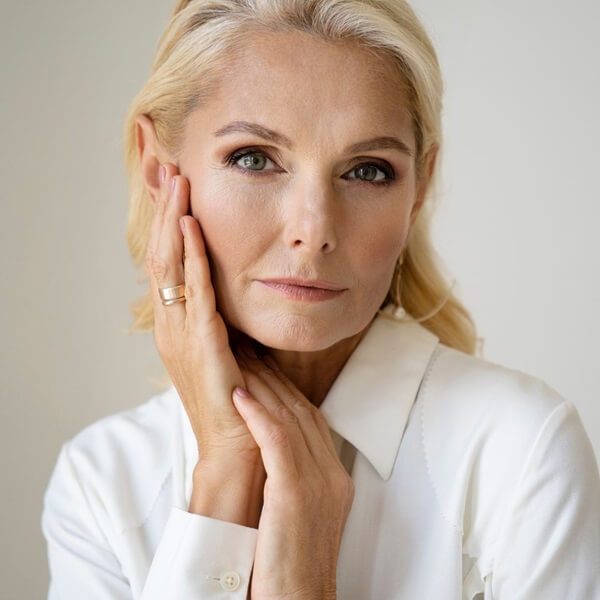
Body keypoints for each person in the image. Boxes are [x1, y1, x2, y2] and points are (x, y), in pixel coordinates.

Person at [41, 0, 600, 598]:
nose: (313, 230)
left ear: (418, 189)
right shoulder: (101, 483)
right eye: (254, 159)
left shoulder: (522, 451)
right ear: (160, 171)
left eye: (368, 170)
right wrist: (225, 479)